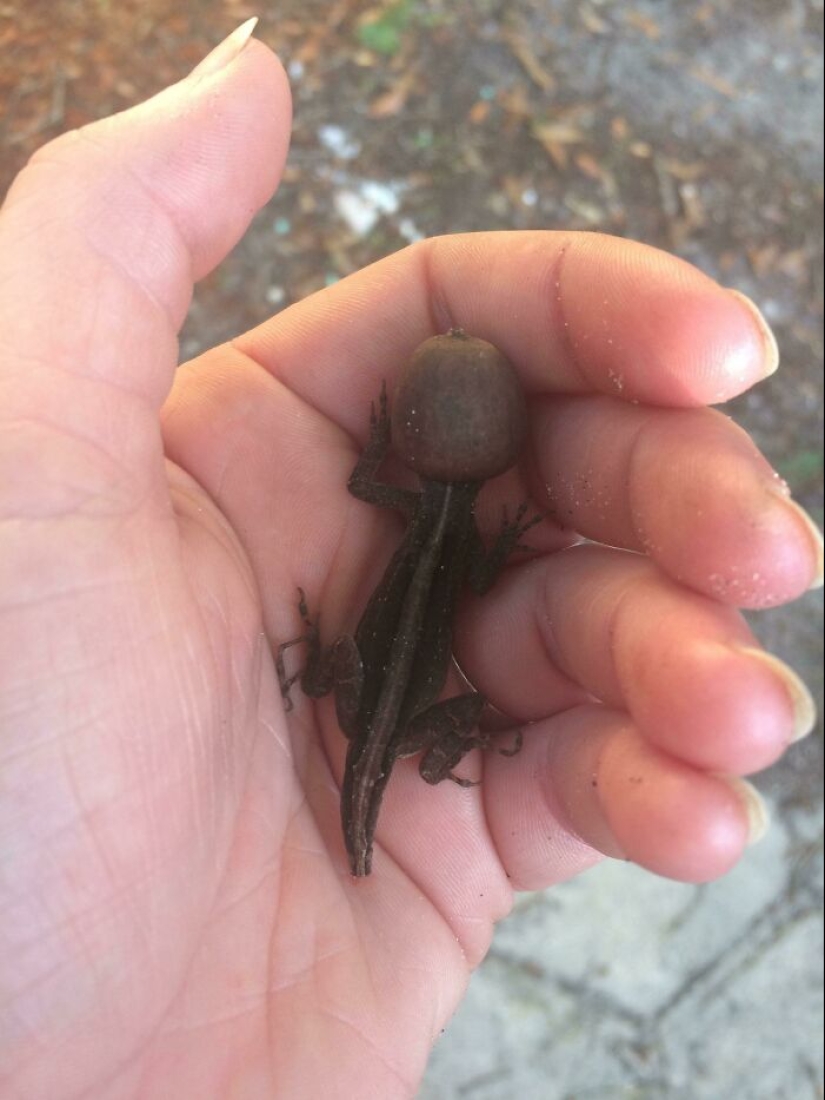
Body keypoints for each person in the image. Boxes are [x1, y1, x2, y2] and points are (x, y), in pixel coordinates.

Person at [1, 19, 820, 1099]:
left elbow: (377, 499)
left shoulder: (431, 515)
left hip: (365, 698)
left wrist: (394, 462)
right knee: (419, 723)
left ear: (433, 464)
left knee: (422, 724)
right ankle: (394, 795)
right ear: (478, 472)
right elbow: (462, 574)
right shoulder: (462, 532)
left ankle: (410, 776)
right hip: (353, 700)